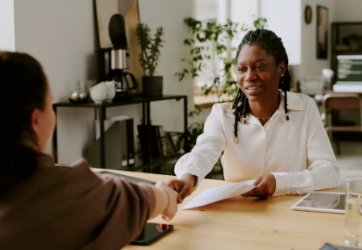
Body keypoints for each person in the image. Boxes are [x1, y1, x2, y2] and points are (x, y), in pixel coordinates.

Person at [0, 51, 178, 249]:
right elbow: (138, 200)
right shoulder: (69, 195)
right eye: (49, 104)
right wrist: (166, 194)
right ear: (36, 120)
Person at [168, 29, 340, 202]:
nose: (249, 76)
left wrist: (280, 182)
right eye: (242, 69)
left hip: (290, 211)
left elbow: (329, 172)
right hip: (239, 212)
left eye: (260, 67)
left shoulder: (305, 108)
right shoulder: (222, 114)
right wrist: (188, 178)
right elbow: (204, 152)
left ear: (281, 68)